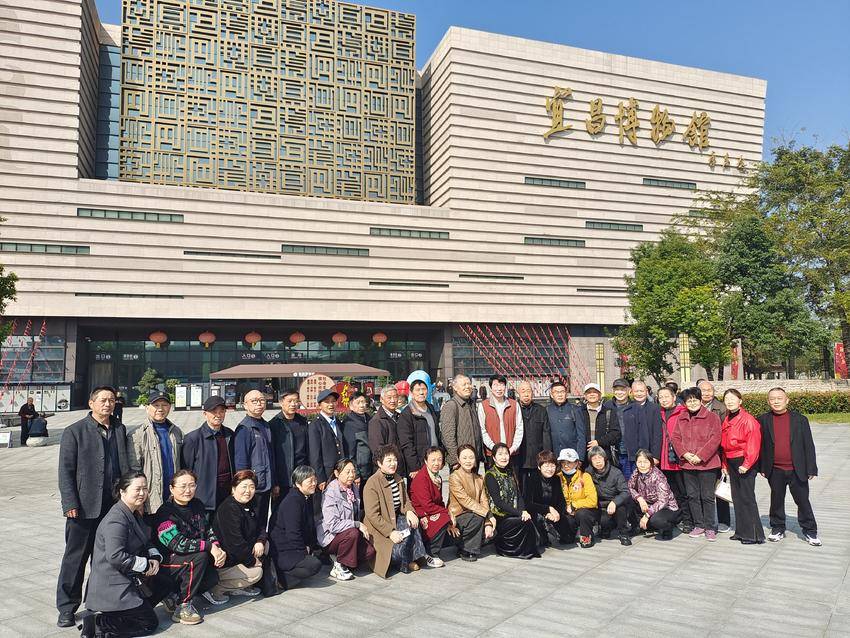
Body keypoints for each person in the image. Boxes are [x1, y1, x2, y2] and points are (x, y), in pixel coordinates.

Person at [56, 386, 131, 629]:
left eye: (111, 400)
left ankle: (99, 601)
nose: (108, 404)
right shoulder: (75, 431)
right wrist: (70, 503)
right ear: (91, 403)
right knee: (75, 558)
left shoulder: (119, 429)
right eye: (103, 400)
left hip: (112, 506)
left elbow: (125, 466)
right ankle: (67, 607)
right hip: (84, 507)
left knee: (106, 558)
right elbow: (65, 471)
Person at [82, 471, 171, 638]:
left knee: (166, 581)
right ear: (122, 491)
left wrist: (154, 558)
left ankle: (125, 613)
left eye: (145, 488)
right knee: (149, 623)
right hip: (113, 584)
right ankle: (99, 624)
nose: (142, 493)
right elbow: (116, 556)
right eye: (137, 489)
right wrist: (145, 565)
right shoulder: (116, 519)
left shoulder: (132, 512)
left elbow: (145, 541)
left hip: (129, 577)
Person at [153, 469, 224, 624]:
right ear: (172, 488)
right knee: (201, 556)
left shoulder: (197, 505)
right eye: (183, 486)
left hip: (189, 558)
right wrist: (209, 546)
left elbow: (208, 529)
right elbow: (178, 544)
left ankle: (173, 596)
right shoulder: (165, 513)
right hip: (166, 563)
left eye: (192, 485)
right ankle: (183, 606)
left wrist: (217, 547)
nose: (188, 490)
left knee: (212, 577)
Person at [758, 387, 820, 546]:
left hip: (797, 469)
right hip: (775, 469)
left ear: (787, 400)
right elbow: (761, 445)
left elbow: (808, 445)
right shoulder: (763, 420)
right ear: (768, 401)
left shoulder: (800, 420)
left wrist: (811, 468)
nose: (776, 401)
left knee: (803, 501)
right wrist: (762, 467)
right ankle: (777, 528)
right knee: (776, 500)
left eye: (779, 398)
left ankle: (810, 531)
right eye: (772, 399)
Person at [363, 444, 428, 577]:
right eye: (389, 460)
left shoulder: (398, 478)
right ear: (379, 463)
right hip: (379, 527)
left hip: (395, 518)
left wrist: (409, 511)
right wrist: (390, 532)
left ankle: (413, 558)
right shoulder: (372, 483)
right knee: (393, 550)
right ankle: (404, 561)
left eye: (395, 460)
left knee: (412, 523)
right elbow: (372, 515)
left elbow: (405, 501)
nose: (393, 464)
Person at [669, 387, 722, 541]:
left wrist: (701, 456)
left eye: (695, 400)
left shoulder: (712, 417)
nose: (692, 403)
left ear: (700, 400)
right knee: (692, 496)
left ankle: (710, 527)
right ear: (685, 403)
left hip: (707, 464)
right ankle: (699, 525)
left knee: (707, 496)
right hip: (688, 464)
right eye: (689, 401)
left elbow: (715, 438)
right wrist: (685, 454)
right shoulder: (681, 418)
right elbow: (675, 438)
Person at [211, 470, 267, 599]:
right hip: (227, 561)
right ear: (233, 489)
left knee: (266, 545)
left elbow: (261, 527)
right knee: (256, 573)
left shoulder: (250, 504)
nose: (248, 491)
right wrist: (252, 561)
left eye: (252, 487)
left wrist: (260, 541)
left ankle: (239, 586)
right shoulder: (229, 508)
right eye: (244, 487)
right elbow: (235, 544)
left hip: (242, 554)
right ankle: (216, 589)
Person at [318, 458, 376, 581]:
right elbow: (333, 525)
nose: (351, 475)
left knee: (369, 552)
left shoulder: (353, 488)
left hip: (348, 534)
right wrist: (356, 524)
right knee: (353, 533)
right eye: (347, 472)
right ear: (337, 473)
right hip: (331, 537)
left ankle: (343, 559)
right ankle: (339, 565)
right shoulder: (330, 492)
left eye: (353, 471)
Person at [719, 389, 764, 545]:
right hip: (731, 461)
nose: (730, 401)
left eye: (733, 398)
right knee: (737, 498)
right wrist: (724, 464)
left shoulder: (748, 420)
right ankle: (741, 531)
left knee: (747, 497)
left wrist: (747, 464)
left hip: (744, 461)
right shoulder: (727, 418)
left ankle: (753, 534)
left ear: (740, 401)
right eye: (727, 399)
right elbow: (724, 445)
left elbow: (754, 444)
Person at [129, 390, 184, 516]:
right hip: (150, 498)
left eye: (164, 405)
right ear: (147, 407)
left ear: (170, 407)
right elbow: (134, 470)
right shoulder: (137, 434)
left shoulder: (177, 432)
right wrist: (138, 501)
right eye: (156, 405)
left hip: (174, 495)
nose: (160, 409)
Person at [269, 466, 323, 586]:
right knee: (314, 565)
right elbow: (293, 532)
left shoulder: (303, 497)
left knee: (313, 561)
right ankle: (282, 578)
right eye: (310, 481)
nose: (314, 484)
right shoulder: (293, 501)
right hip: (283, 549)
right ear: (298, 484)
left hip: (292, 546)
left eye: (315, 480)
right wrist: (303, 550)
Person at [484, 443, 540, 559]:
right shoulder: (490, 475)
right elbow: (498, 502)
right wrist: (519, 513)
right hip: (500, 516)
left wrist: (523, 511)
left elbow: (518, 495)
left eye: (506, 454)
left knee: (528, 517)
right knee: (524, 521)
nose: (504, 457)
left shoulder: (510, 472)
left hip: (513, 512)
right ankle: (511, 549)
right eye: (500, 454)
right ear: (494, 457)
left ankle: (527, 548)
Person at [232, 388, 278, 528]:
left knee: (263, 521)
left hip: (266, 483)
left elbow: (271, 456)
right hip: (253, 486)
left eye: (261, 400)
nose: (259, 403)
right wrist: (245, 486)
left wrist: (274, 482)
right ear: (245, 405)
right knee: (251, 523)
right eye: (254, 401)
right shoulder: (244, 429)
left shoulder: (266, 425)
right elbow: (241, 462)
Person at [181, 395, 234, 514]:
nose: (218, 415)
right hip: (204, 497)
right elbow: (186, 470)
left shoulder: (230, 435)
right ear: (205, 414)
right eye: (214, 411)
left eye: (221, 411)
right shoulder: (193, 438)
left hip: (226, 493)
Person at [448, 444, 495, 561]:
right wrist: (487, 514)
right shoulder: (454, 477)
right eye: (464, 458)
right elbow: (466, 501)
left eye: (471, 457)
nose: (468, 461)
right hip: (458, 517)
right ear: (458, 460)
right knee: (477, 518)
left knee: (493, 530)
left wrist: (488, 523)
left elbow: (484, 501)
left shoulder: (479, 478)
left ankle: (465, 546)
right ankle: (467, 550)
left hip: (475, 514)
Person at [408, 447, 454, 567]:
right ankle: (431, 553)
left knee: (449, 519)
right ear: (425, 461)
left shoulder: (437, 477)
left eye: (439, 460)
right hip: (421, 513)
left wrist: (447, 512)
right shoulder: (421, 478)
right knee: (444, 518)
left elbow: (440, 501)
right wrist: (447, 512)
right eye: (433, 460)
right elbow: (427, 506)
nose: (436, 463)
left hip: (432, 511)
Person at [656, 386, 691, 532]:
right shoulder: (658, 413)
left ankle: (688, 520)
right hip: (664, 459)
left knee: (684, 492)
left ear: (674, 397)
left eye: (666, 396)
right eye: (661, 397)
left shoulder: (683, 412)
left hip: (678, 458)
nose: (664, 400)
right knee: (671, 491)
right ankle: (677, 517)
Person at [698, 380, 731, 533]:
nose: (706, 393)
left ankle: (724, 521)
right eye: (703, 390)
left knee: (719, 488)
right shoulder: (692, 405)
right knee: (701, 490)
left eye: (709, 390)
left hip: (716, 454)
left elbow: (725, 432)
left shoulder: (721, 408)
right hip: (696, 455)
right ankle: (703, 521)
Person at [628, 449, 681, 540]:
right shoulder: (636, 472)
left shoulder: (658, 476)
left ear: (651, 463)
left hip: (665, 507)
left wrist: (647, 515)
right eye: (639, 462)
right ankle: (637, 526)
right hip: (647, 504)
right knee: (626, 500)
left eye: (645, 462)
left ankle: (667, 529)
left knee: (657, 520)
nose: (642, 465)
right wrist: (639, 498)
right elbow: (630, 487)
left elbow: (663, 501)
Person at [523, 450, 570, 547]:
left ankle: (551, 528)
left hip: (552, 513)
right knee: (541, 543)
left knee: (568, 539)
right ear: (539, 467)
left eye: (552, 466)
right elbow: (528, 503)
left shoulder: (556, 479)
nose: (550, 469)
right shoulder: (531, 478)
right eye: (546, 466)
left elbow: (561, 501)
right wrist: (548, 510)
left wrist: (556, 513)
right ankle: (542, 533)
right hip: (536, 513)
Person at [269, 389, 310, 500]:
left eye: (296, 401)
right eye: (290, 401)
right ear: (281, 402)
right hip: (283, 478)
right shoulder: (273, 424)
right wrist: (274, 482)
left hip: (301, 476)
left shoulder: (303, 422)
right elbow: (271, 455)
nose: (293, 404)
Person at [586, 446, 631, 545]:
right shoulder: (587, 473)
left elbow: (625, 491)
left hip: (615, 502)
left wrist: (614, 502)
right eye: (594, 459)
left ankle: (623, 533)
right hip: (600, 505)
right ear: (591, 461)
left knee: (621, 508)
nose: (598, 461)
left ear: (605, 458)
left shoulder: (616, 472)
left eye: (600, 457)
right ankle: (605, 528)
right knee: (604, 521)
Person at [619, 380, 663, 481]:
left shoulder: (655, 408)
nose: (639, 394)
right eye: (636, 391)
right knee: (632, 482)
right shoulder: (626, 410)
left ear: (646, 391)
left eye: (642, 391)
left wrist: (656, 456)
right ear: (631, 392)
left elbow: (657, 434)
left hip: (649, 454)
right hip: (632, 456)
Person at [397, 379, 440, 479]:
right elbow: (406, 443)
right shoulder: (407, 414)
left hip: (433, 460)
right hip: (418, 464)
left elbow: (437, 434)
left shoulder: (431, 408)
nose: (421, 392)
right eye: (417, 390)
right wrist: (414, 466)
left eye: (424, 389)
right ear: (411, 393)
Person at [439, 374, 483, 469]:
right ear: (455, 387)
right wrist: (456, 459)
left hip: (473, 459)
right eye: (464, 384)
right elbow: (447, 437)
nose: (467, 387)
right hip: (460, 462)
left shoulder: (471, 404)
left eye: (469, 384)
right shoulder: (451, 406)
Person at [515, 380, 552, 493]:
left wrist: (546, 455)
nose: (526, 394)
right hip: (519, 456)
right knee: (521, 487)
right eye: (523, 391)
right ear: (518, 393)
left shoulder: (541, 410)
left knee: (538, 487)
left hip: (537, 455)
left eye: (529, 391)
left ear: (533, 393)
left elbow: (546, 433)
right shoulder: (514, 409)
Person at [557, 448, 598, 547]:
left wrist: (574, 505)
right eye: (563, 462)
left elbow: (593, 500)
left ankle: (586, 537)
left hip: (583, 510)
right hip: (566, 511)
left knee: (582, 514)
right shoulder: (557, 477)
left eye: (569, 462)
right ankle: (569, 534)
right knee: (566, 539)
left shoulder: (585, 476)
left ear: (576, 463)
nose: (566, 465)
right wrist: (565, 508)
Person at [478, 374, 524, 462]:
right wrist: (494, 448)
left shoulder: (514, 404)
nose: (499, 388)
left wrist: (513, 447)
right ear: (490, 388)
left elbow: (519, 428)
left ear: (505, 387)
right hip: (492, 453)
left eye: (501, 385)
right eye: (495, 385)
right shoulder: (483, 406)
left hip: (512, 453)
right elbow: (482, 430)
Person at [308, 388, 345, 496]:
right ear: (319, 405)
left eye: (333, 401)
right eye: (327, 402)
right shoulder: (315, 425)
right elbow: (315, 454)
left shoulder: (338, 422)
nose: (331, 404)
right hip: (326, 474)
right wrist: (320, 477)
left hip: (340, 471)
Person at [576, 383, 621, 468]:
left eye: (595, 392)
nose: (592, 394)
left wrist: (599, 442)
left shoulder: (609, 412)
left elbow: (615, 433)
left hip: (603, 455)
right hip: (584, 457)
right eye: (589, 392)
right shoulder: (579, 412)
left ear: (600, 395)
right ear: (585, 396)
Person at [547, 379, 584, 461]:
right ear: (552, 395)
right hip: (554, 455)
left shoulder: (575, 409)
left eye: (562, 392)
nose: (560, 394)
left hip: (572, 455)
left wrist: (580, 458)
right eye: (556, 392)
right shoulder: (547, 410)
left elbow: (581, 436)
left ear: (566, 394)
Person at [368, 386, 403, 470]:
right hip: (387, 468)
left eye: (395, 397)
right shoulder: (377, 421)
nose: (393, 400)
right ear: (381, 399)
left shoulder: (399, 417)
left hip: (399, 466)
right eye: (389, 397)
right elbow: (378, 450)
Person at [341, 391, 372, 483]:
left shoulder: (370, 419)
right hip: (360, 469)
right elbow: (350, 451)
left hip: (371, 466)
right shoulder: (349, 423)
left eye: (363, 402)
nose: (362, 405)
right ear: (351, 406)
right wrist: (356, 473)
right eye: (358, 403)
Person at [604, 378, 632, 471]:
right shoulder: (607, 406)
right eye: (616, 389)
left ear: (629, 390)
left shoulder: (634, 406)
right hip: (611, 451)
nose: (619, 392)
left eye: (622, 389)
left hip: (629, 452)